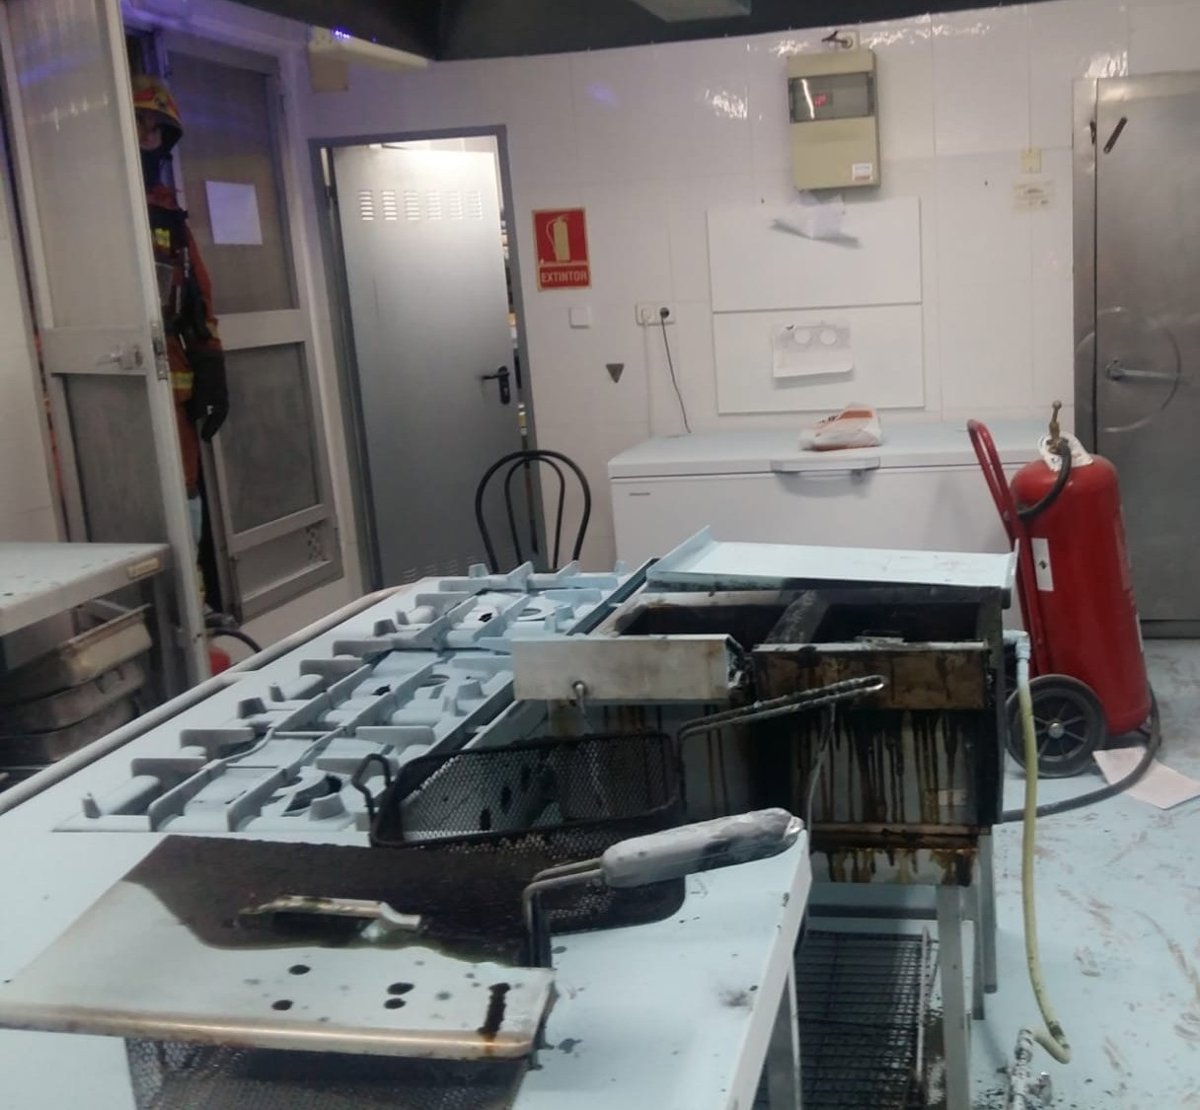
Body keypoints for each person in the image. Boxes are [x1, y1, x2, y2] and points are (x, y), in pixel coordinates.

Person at [132, 74, 229, 558]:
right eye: (140, 124)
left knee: (184, 486)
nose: (149, 138)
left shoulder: (166, 211)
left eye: (157, 129)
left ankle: (192, 591)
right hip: (109, 384)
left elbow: (197, 291)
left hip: (173, 372)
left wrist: (211, 363)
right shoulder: (83, 208)